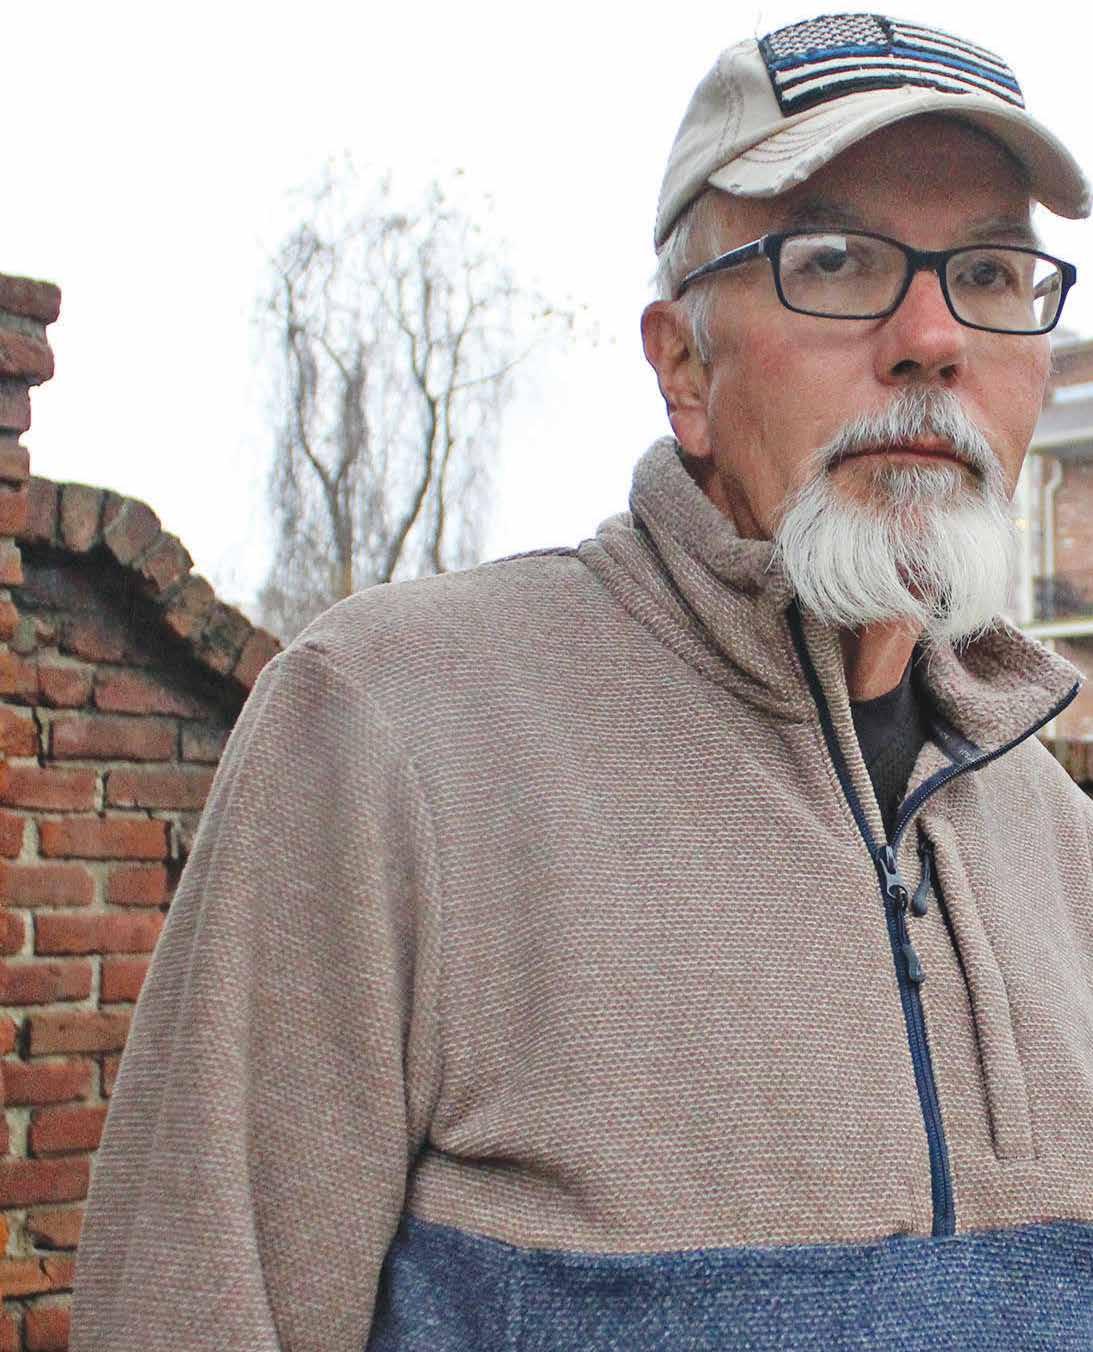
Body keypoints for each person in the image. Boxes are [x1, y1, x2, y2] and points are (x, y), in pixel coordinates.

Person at [72, 13, 1093, 1350]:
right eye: (834, 261)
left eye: (992, 272)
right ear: (683, 365)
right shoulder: (393, 729)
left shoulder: (1062, 846)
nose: (930, 337)